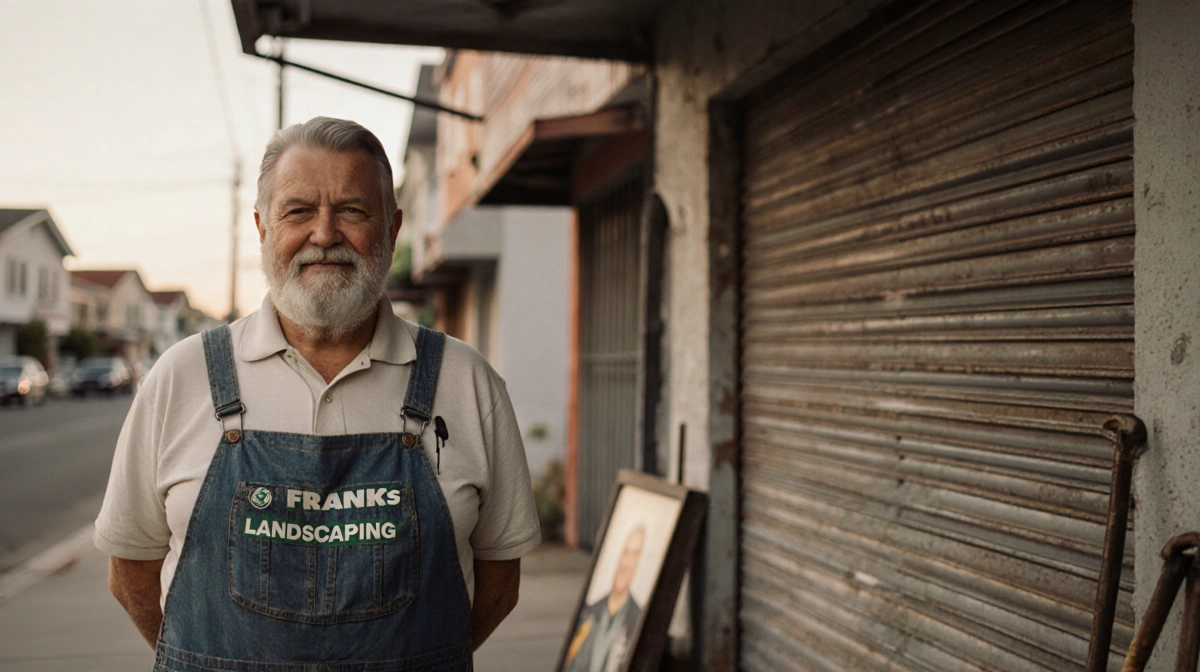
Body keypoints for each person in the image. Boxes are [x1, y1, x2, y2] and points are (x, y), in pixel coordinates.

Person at [94, 117, 541, 671]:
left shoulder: (467, 383)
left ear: (392, 227)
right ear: (262, 226)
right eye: (298, 210)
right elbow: (130, 570)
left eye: (352, 210)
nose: (324, 234)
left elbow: (501, 579)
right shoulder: (181, 378)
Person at [563, 525, 646, 672]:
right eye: (626, 552)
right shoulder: (590, 613)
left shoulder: (639, 619)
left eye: (634, 554)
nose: (626, 563)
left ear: (640, 562)